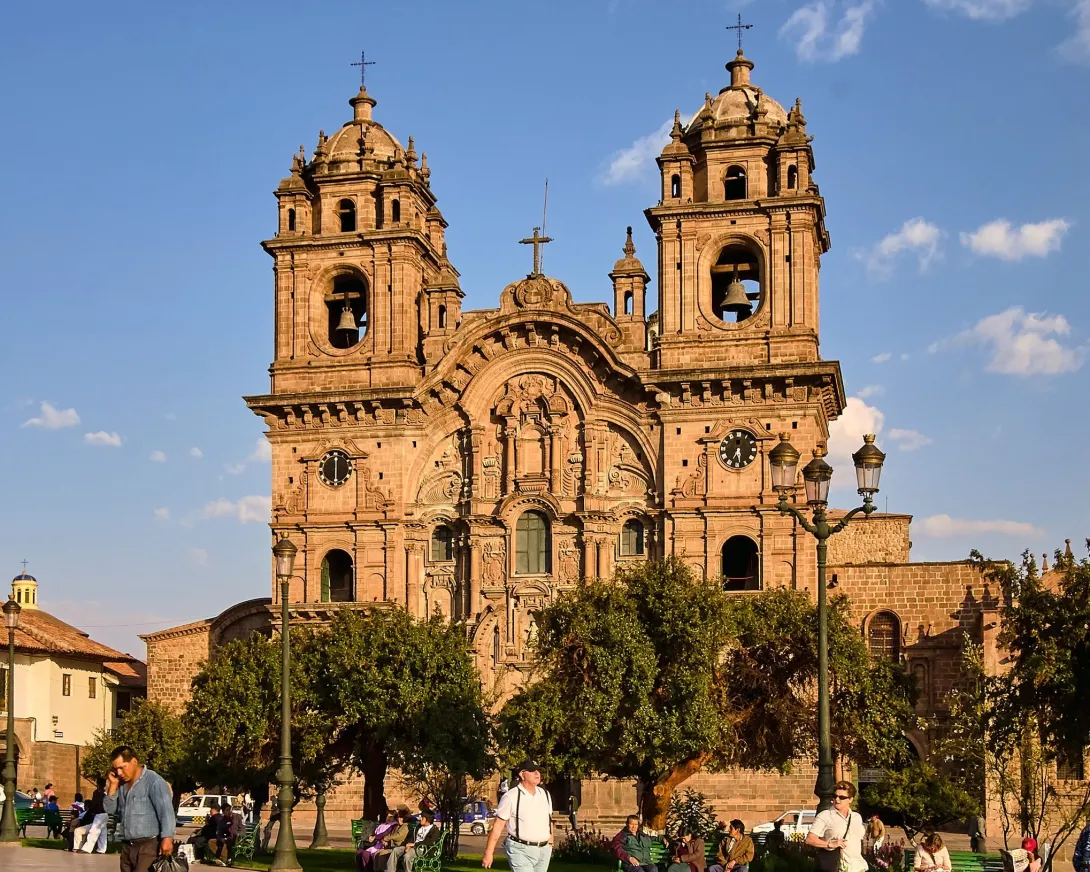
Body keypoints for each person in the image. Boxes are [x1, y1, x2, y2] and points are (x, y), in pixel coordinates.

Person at [103, 744, 177, 872]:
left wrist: (167, 838)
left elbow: (166, 812)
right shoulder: (121, 785)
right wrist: (113, 785)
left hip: (148, 847)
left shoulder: (154, 782)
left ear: (134, 761)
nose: (119, 773)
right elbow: (109, 810)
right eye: (116, 769)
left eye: (122, 767)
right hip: (127, 847)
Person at [483, 760, 553, 872]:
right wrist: (488, 853)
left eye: (538, 771)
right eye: (532, 771)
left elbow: (549, 820)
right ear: (522, 774)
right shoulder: (511, 796)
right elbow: (497, 827)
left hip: (543, 850)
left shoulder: (545, 794)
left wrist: (550, 842)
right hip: (520, 849)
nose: (537, 774)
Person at [805, 781, 866, 872]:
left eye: (842, 797)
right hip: (837, 867)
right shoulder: (825, 816)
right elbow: (810, 840)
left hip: (858, 867)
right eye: (835, 796)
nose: (837, 799)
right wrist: (830, 844)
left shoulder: (856, 817)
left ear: (850, 799)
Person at [372, 807, 412, 872]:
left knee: (382, 854)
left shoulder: (405, 826)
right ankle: (376, 870)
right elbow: (391, 835)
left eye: (400, 818)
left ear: (403, 819)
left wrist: (386, 839)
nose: (398, 819)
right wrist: (386, 841)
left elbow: (398, 836)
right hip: (391, 846)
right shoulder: (397, 826)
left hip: (399, 847)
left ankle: (382, 870)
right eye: (398, 818)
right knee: (377, 853)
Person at [75, 778, 109, 854]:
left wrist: (91, 811)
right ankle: (102, 848)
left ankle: (87, 849)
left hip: (99, 814)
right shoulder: (105, 794)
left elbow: (94, 804)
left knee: (94, 830)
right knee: (103, 832)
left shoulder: (97, 793)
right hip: (105, 814)